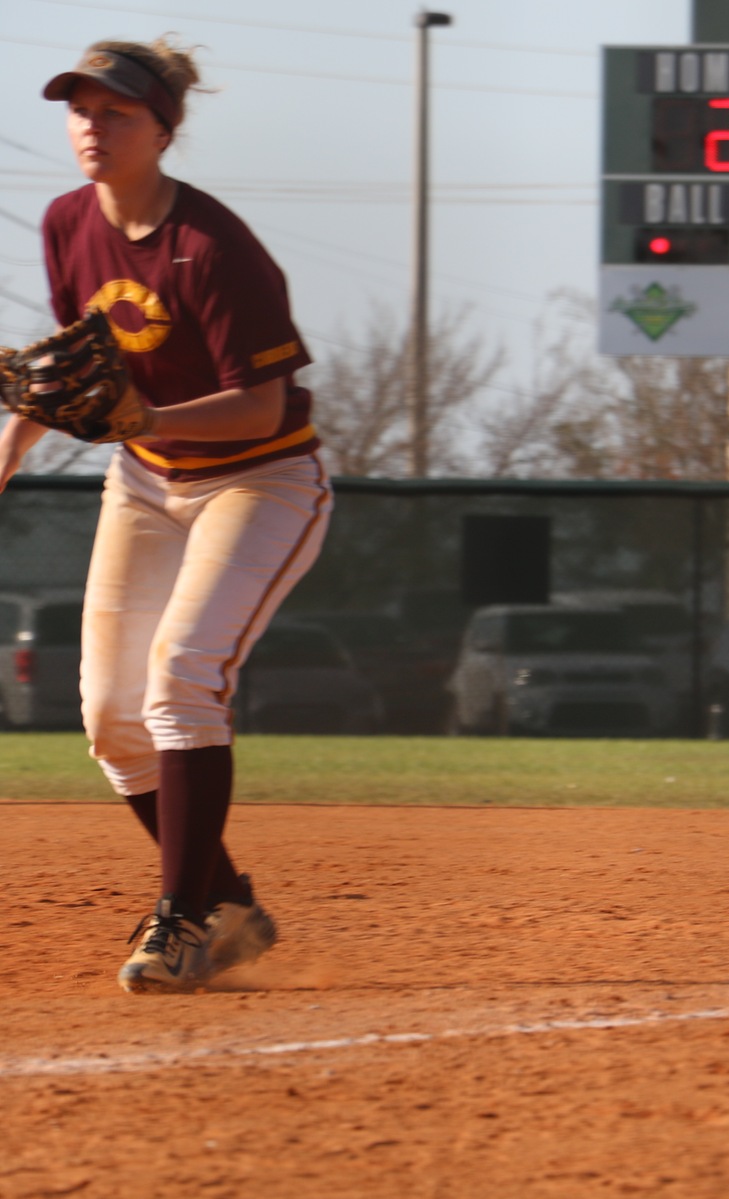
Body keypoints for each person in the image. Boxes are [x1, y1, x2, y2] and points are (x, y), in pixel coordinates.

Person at [0, 39, 332, 989]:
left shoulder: (214, 247)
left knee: (180, 679)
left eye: (115, 113)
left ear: (162, 130)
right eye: (80, 111)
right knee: (110, 717)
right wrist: (11, 449)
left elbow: (262, 405)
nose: (92, 128)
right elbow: (74, 365)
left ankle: (181, 917)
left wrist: (147, 416)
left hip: (261, 481)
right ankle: (226, 896)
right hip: (148, 482)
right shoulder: (68, 221)